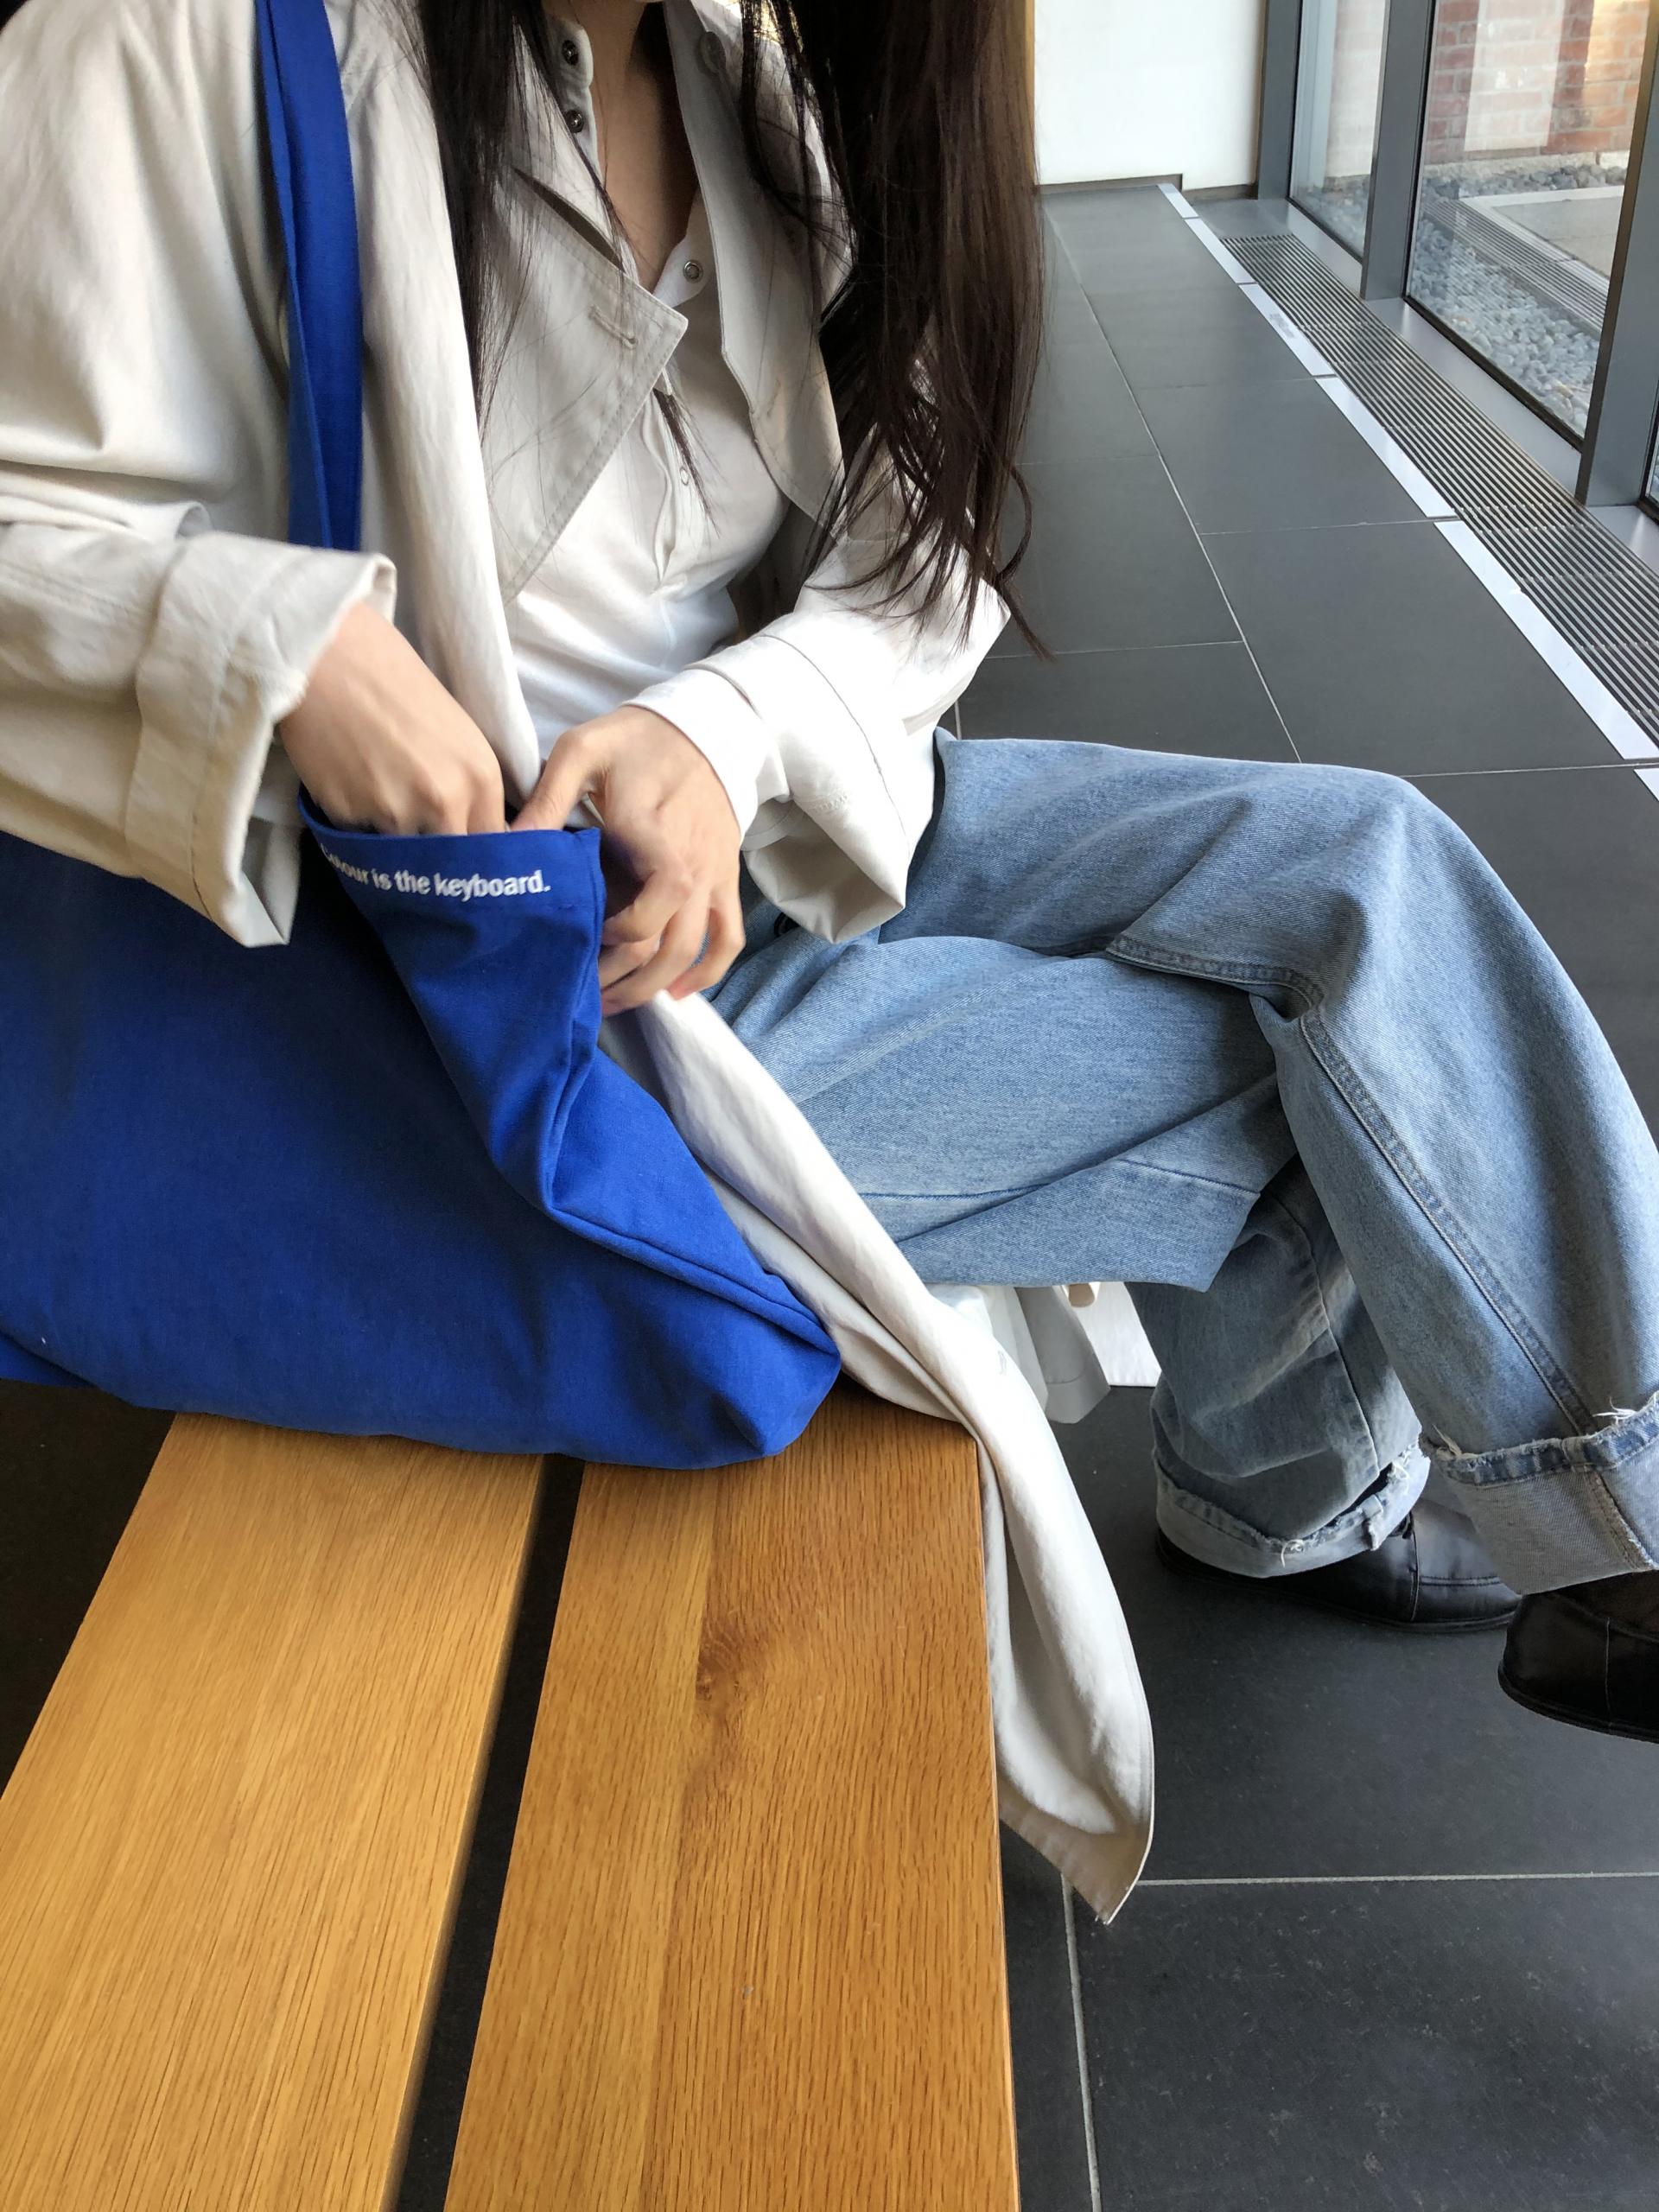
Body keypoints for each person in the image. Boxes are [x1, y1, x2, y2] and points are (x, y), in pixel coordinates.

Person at [1, 0, 1656, 1746]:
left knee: (1370, 872)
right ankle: (1301, 1502)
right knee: (1309, 1077)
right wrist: (287, 648)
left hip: (795, 825)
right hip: (535, 1004)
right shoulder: (179, 37)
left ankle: (1623, 1537)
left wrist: (720, 734)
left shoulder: (753, 72)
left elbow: (908, 558)